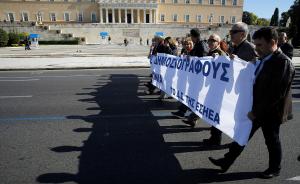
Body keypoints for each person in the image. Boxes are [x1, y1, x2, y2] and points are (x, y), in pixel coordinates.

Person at [209, 27, 295, 179]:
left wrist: (256, 112)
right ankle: (226, 161)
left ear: (273, 42)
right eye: (255, 44)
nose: (256, 48)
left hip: (271, 111)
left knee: (272, 140)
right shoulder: (263, 58)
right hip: (256, 108)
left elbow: (275, 95)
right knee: (242, 135)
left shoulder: (283, 63)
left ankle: (275, 168)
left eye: (260, 45)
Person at [202, 22, 258, 146]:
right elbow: (228, 60)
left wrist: (239, 61)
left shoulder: (250, 48)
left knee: (238, 118)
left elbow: (256, 67)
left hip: (240, 90)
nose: (230, 34)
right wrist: (220, 57)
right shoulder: (233, 46)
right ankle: (215, 138)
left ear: (242, 34)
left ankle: (237, 142)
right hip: (227, 86)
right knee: (217, 110)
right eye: (231, 32)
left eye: (233, 32)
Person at [182, 33, 228, 129]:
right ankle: (193, 119)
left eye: (213, 40)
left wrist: (219, 59)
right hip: (207, 84)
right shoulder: (210, 52)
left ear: (218, 42)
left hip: (215, 87)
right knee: (203, 103)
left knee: (208, 105)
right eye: (209, 40)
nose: (210, 42)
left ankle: (214, 129)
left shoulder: (220, 54)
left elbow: (226, 68)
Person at [171, 28, 208, 120]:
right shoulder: (198, 44)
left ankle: (189, 115)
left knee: (193, 96)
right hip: (194, 76)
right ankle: (183, 112)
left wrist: (191, 57)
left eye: (191, 36)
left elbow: (202, 60)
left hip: (198, 77)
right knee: (189, 94)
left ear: (193, 36)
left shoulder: (201, 45)